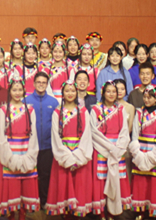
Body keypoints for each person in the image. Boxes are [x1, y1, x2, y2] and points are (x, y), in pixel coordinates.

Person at [45, 79, 94, 218]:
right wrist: (66, 156)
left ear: (77, 92)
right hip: (63, 156)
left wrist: (78, 155)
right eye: (67, 91)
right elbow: (55, 136)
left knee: (79, 187)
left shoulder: (83, 111)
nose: (70, 93)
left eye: (73, 90)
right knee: (63, 186)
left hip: (80, 155)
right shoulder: (57, 112)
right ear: (62, 93)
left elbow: (87, 135)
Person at [0, 78, 40, 217]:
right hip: (9, 154)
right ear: (9, 91)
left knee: (25, 189)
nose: (17, 93)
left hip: (26, 152)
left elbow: (33, 135)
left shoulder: (30, 109)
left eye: (20, 90)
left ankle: (23, 216)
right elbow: (0, 136)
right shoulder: (4, 110)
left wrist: (29, 156)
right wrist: (9, 157)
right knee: (11, 189)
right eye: (14, 90)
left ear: (24, 91)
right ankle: (12, 216)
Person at [129, 86, 156, 220]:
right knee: (141, 184)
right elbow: (135, 134)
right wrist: (138, 153)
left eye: (150, 97)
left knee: (155, 184)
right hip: (141, 152)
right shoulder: (139, 113)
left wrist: (153, 156)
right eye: (145, 97)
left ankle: (154, 213)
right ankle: (140, 212)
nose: (146, 100)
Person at [90, 82, 131, 218]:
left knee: (117, 178)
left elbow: (124, 131)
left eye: (114, 91)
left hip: (117, 150)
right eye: (108, 91)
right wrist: (109, 147)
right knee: (101, 179)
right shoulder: (95, 110)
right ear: (103, 93)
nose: (111, 94)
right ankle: (102, 212)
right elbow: (94, 131)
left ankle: (115, 211)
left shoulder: (121, 109)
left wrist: (118, 148)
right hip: (101, 149)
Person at [26, 71, 56, 215]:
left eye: (44, 82)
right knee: (30, 174)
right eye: (38, 82)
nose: (41, 85)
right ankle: (30, 202)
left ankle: (43, 202)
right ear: (33, 83)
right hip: (30, 146)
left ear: (47, 84)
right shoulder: (26, 101)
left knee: (45, 175)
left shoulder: (53, 102)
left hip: (47, 146)